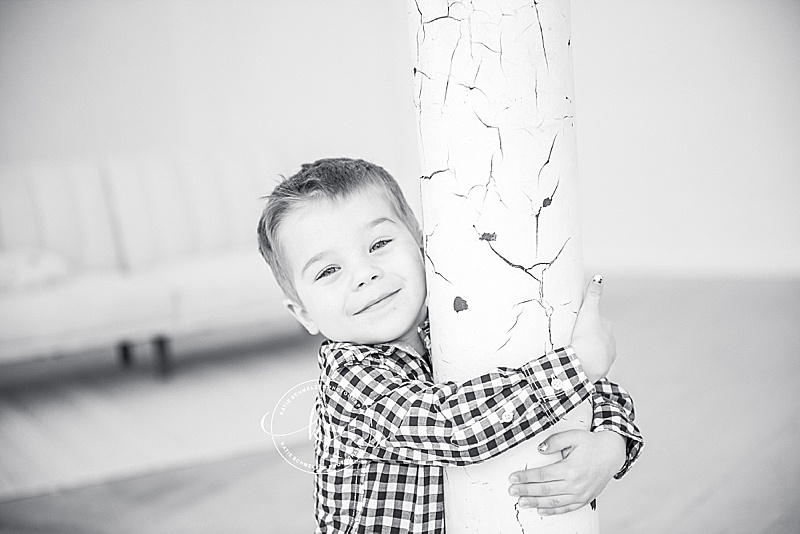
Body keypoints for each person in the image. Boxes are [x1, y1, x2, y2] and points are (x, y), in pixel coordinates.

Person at [256, 158, 643, 533]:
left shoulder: (453, 326)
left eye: (379, 244)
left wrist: (612, 441)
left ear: (424, 245)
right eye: (328, 271)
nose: (365, 274)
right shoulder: (352, 379)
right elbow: (454, 427)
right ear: (303, 313)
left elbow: (586, 390)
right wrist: (578, 365)